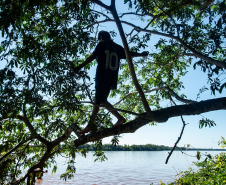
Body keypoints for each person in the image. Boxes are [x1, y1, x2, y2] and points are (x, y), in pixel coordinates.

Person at [72, 31, 149, 135]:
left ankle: (119, 118)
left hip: (101, 76)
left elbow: (92, 57)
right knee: (97, 99)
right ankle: (90, 125)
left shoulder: (101, 45)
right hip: (111, 78)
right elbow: (128, 53)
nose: (99, 40)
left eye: (99, 38)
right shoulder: (117, 47)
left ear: (102, 37)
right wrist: (140, 54)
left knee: (100, 100)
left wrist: (79, 67)